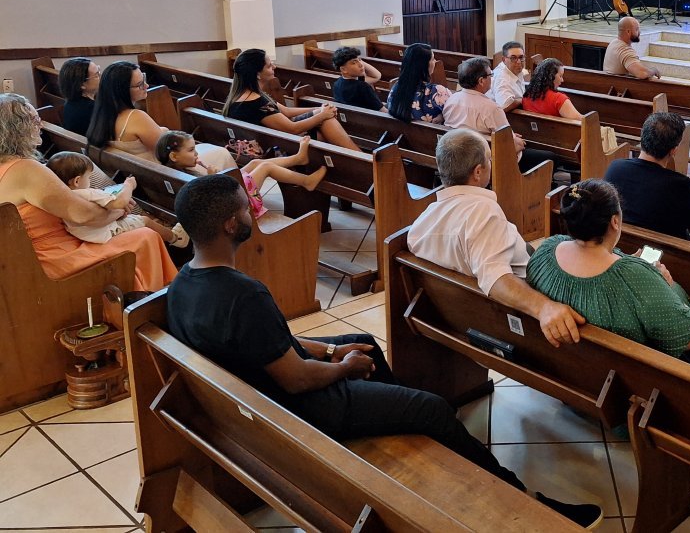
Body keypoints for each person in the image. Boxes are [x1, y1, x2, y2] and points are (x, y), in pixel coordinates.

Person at [166, 173, 601, 529]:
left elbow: (268, 343)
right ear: (230, 225)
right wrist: (343, 368)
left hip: (253, 394)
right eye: (246, 208)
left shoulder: (184, 283)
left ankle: (407, 432)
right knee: (431, 407)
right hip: (298, 409)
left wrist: (330, 351)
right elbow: (296, 377)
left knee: (366, 345)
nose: (252, 212)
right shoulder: (245, 295)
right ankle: (522, 496)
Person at [408, 129, 584, 347]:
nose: (491, 164)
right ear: (478, 172)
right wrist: (544, 307)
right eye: (489, 159)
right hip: (513, 321)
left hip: (455, 316)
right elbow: (496, 279)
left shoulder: (424, 221)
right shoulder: (482, 211)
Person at [0, 93, 176, 291]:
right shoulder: (25, 169)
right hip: (57, 260)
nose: (40, 125)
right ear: (17, 128)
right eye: (34, 120)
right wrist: (118, 210)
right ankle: (148, 302)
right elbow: (84, 215)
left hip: (27, 262)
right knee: (145, 236)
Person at [527, 180, 690, 357]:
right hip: (627, 371)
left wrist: (627, 264)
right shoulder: (637, 280)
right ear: (615, 221)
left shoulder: (545, 251)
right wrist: (669, 285)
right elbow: (689, 338)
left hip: (552, 361)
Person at [87, 62, 236, 170]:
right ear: (122, 90)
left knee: (208, 149)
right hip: (167, 170)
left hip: (143, 171)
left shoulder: (103, 115)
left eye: (144, 79)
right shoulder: (135, 116)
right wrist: (165, 131)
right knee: (221, 153)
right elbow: (170, 151)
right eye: (139, 84)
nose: (146, 86)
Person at [158, 130, 326, 217]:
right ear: (174, 156)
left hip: (228, 196)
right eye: (191, 150)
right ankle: (306, 181)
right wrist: (213, 178)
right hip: (235, 205)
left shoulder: (174, 171)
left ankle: (297, 158)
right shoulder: (186, 178)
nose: (196, 154)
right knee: (265, 167)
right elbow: (213, 197)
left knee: (255, 163)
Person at [223, 49, 360, 151]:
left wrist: (319, 109)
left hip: (274, 139)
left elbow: (287, 111)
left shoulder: (244, 95)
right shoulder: (256, 102)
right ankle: (361, 160)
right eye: (269, 66)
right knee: (326, 123)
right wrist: (322, 115)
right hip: (278, 147)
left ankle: (357, 159)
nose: (274, 67)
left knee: (326, 127)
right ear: (257, 74)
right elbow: (292, 129)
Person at [603, 112, 690, 242]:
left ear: (642, 138)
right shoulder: (680, 185)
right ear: (674, 150)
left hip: (620, 244)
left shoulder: (615, 168)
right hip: (668, 252)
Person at [45, 151, 185, 246]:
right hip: (105, 233)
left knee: (128, 216)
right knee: (145, 220)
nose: (90, 181)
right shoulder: (87, 193)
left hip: (86, 234)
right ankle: (176, 239)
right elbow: (120, 202)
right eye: (88, 177)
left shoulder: (61, 197)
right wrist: (128, 185)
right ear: (76, 181)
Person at [385, 42, 451, 123]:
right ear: (424, 65)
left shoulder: (396, 87)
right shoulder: (437, 91)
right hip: (428, 131)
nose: (435, 61)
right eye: (432, 59)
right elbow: (455, 110)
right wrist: (442, 116)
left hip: (398, 131)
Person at [330, 46, 383, 111]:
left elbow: (376, 76)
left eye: (360, 60)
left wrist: (356, 59)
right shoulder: (363, 87)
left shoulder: (337, 83)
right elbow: (382, 111)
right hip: (370, 116)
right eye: (354, 63)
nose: (361, 64)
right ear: (343, 69)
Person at [58, 57, 101, 136]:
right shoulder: (92, 109)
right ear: (82, 84)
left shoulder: (71, 102)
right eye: (96, 75)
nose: (100, 77)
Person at [489, 41, 528, 111]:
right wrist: (523, 100)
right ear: (504, 59)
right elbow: (504, 105)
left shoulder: (514, 69)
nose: (519, 62)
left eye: (521, 57)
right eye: (513, 58)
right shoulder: (502, 78)